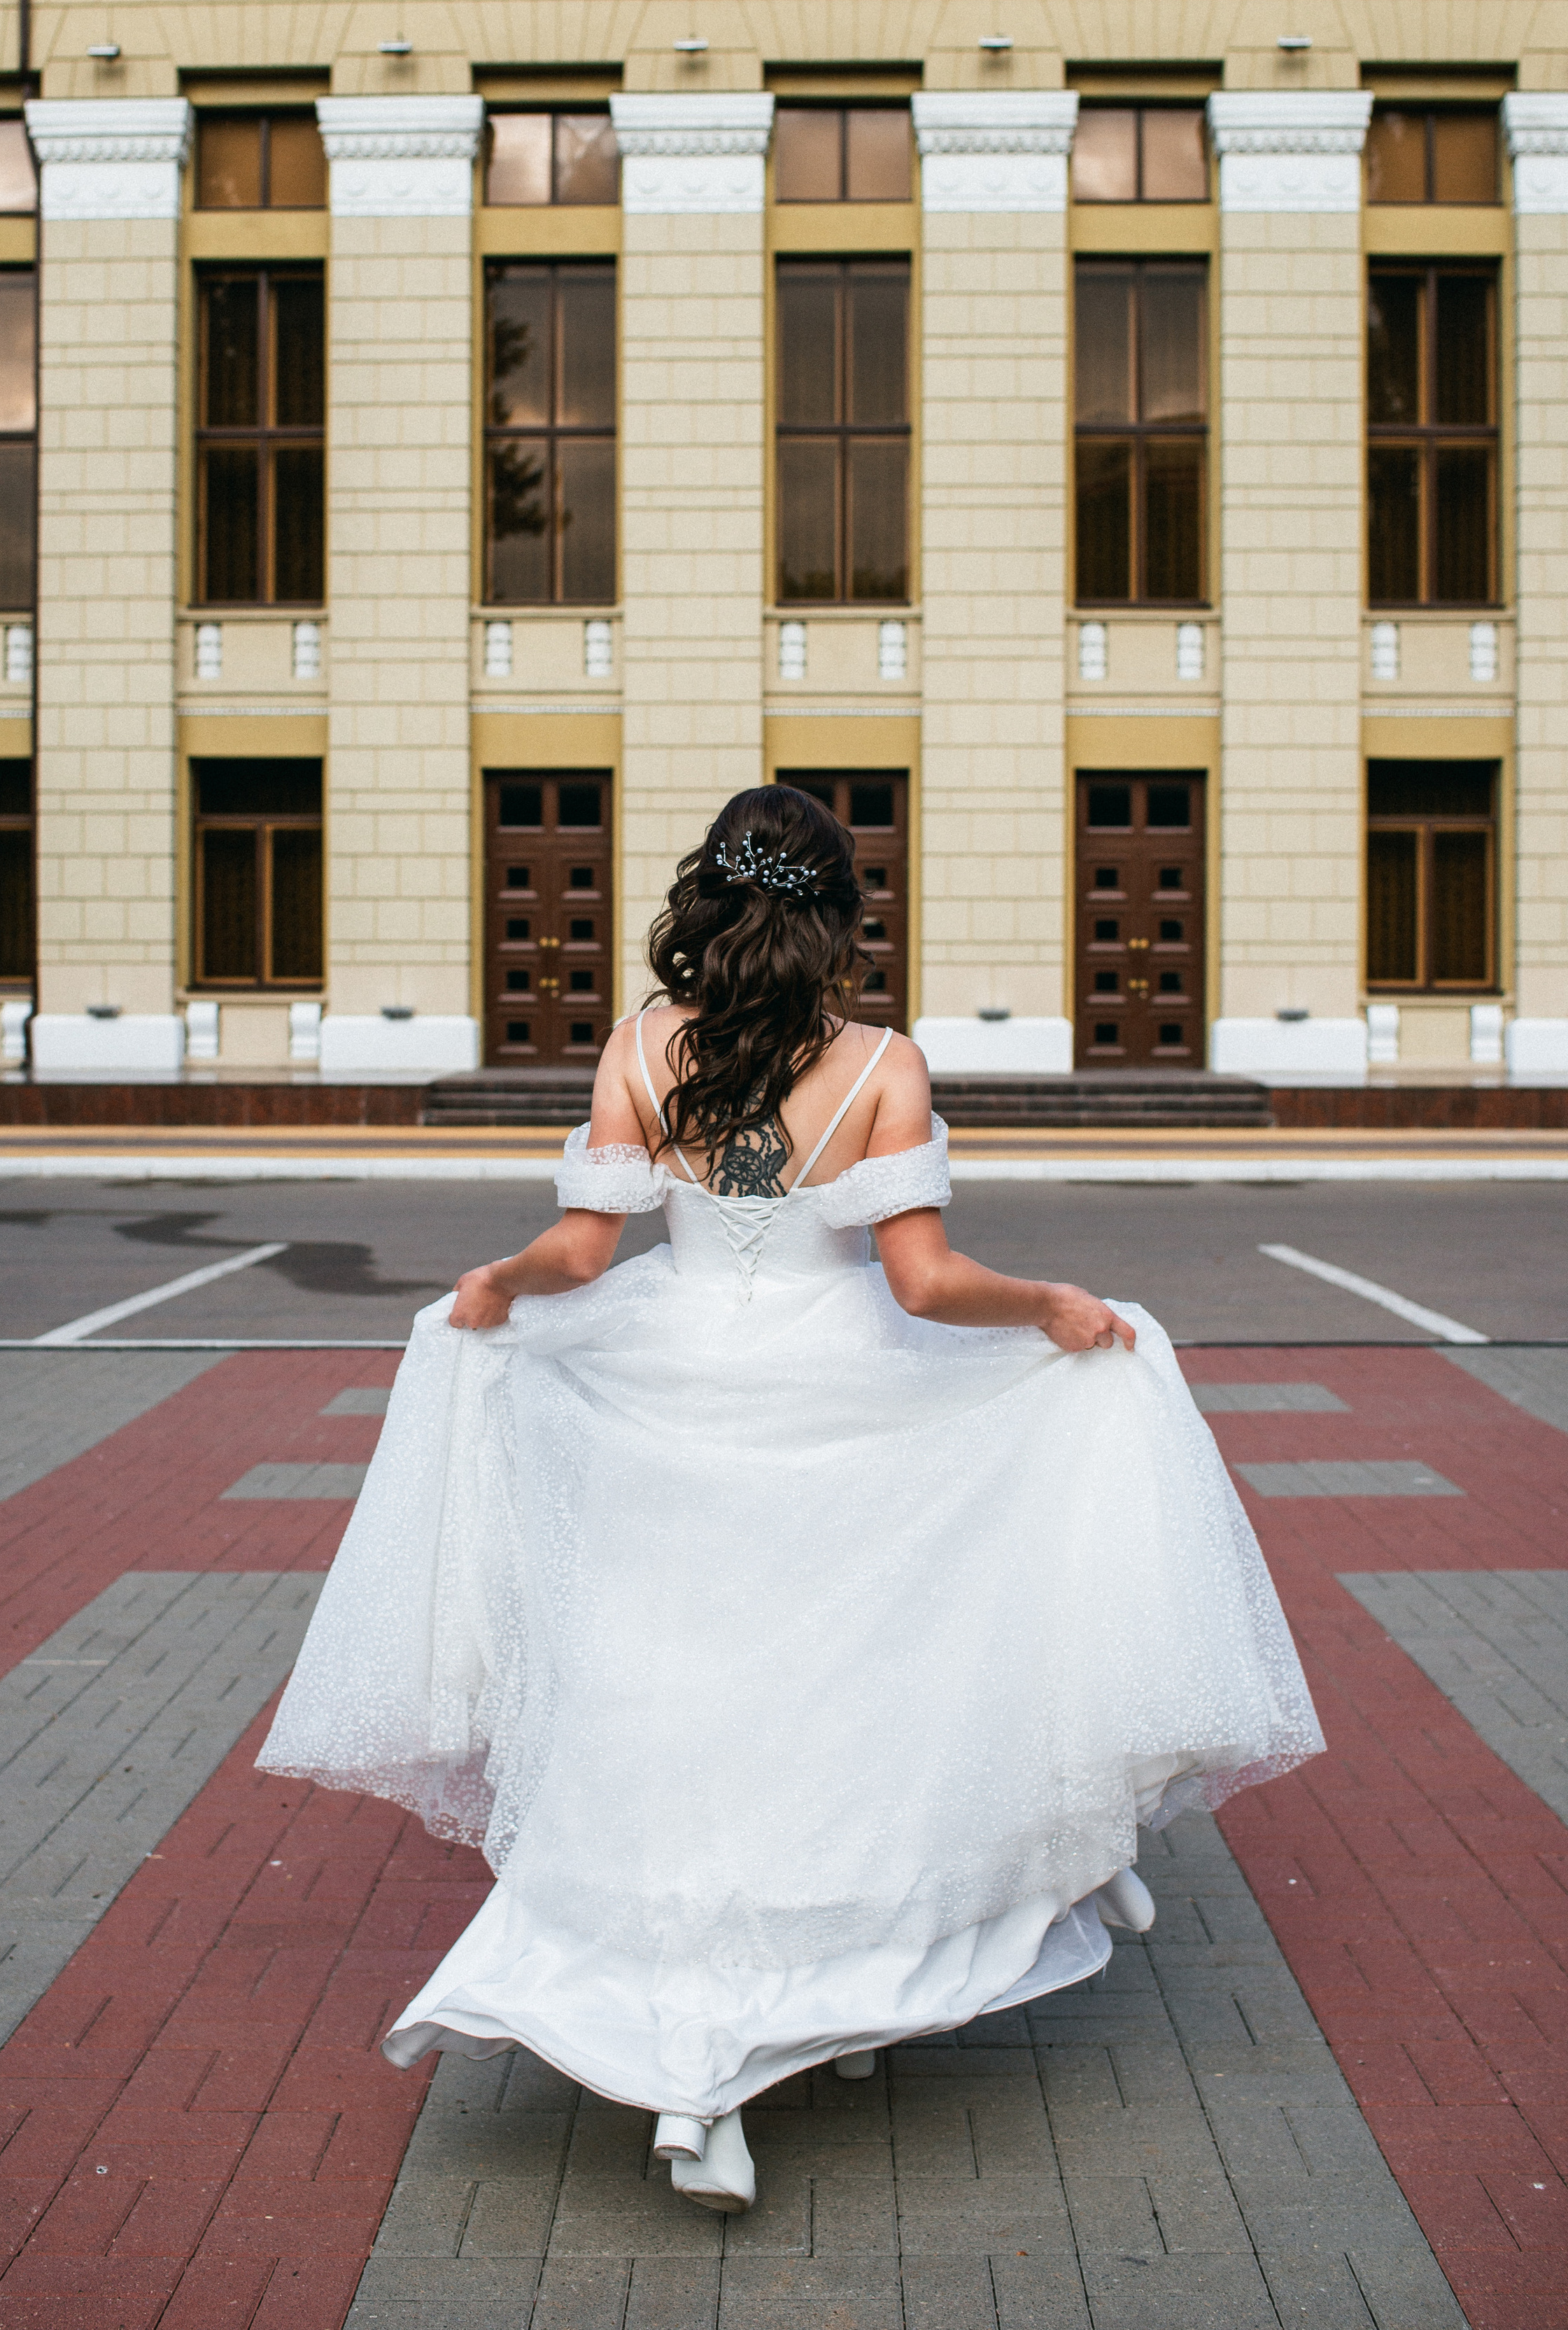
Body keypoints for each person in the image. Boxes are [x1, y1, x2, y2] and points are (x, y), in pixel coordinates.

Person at [257, 784, 1322, 2216]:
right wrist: (1053, 1306)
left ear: (708, 896)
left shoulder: (643, 1048)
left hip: (663, 1392)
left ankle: (701, 2075)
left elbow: (581, 1250)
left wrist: (492, 1289)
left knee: (666, 1700)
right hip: (841, 1398)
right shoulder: (881, 1062)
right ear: (836, 913)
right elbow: (926, 1286)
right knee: (844, 1698)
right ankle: (840, 1991)